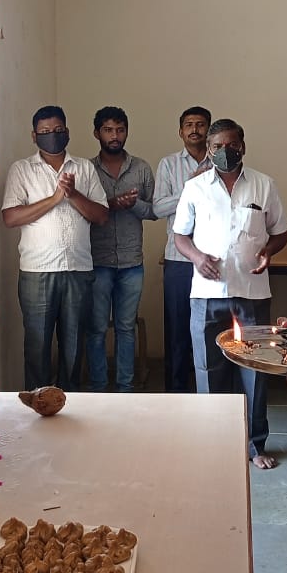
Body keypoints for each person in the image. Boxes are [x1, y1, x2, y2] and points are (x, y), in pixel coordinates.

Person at [174, 118, 287, 469]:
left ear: (243, 146)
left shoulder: (264, 185)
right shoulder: (195, 188)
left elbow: (280, 233)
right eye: (217, 146)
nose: (225, 151)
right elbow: (180, 236)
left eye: (232, 145)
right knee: (209, 368)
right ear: (208, 150)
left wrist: (269, 252)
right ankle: (215, 442)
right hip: (206, 292)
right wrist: (197, 258)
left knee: (255, 369)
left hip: (252, 291)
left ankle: (255, 446)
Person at [2, 105, 109, 391]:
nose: (53, 135)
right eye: (46, 131)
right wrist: (54, 199)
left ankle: (69, 403)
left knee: (73, 348)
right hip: (37, 271)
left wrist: (72, 194)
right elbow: (11, 217)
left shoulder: (84, 168)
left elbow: (101, 216)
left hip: (78, 270)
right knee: (37, 346)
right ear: (34, 136)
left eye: (58, 130)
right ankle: (37, 404)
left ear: (68, 132)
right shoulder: (22, 170)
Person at [86, 106, 156, 392]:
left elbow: (154, 211)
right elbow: (80, 212)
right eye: (108, 130)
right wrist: (111, 205)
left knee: (126, 328)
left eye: (120, 130)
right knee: (97, 328)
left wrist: (134, 205)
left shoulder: (141, 168)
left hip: (131, 262)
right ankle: (98, 388)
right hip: (97, 261)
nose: (115, 136)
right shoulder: (87, 169)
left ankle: (125, 388)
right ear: (97, 133)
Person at [152, 106, 212, 393]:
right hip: (178, 259)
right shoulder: (168, 164)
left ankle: (209, 393)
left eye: (200, 124)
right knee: (177, 329)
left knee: (210, 329)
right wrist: (191, 186)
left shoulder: (221, 161)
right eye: (189, 124)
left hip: (213, 259)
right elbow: (158, 207)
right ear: (180, 131)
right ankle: (176, 394)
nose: (194, 129)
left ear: (209, 130)